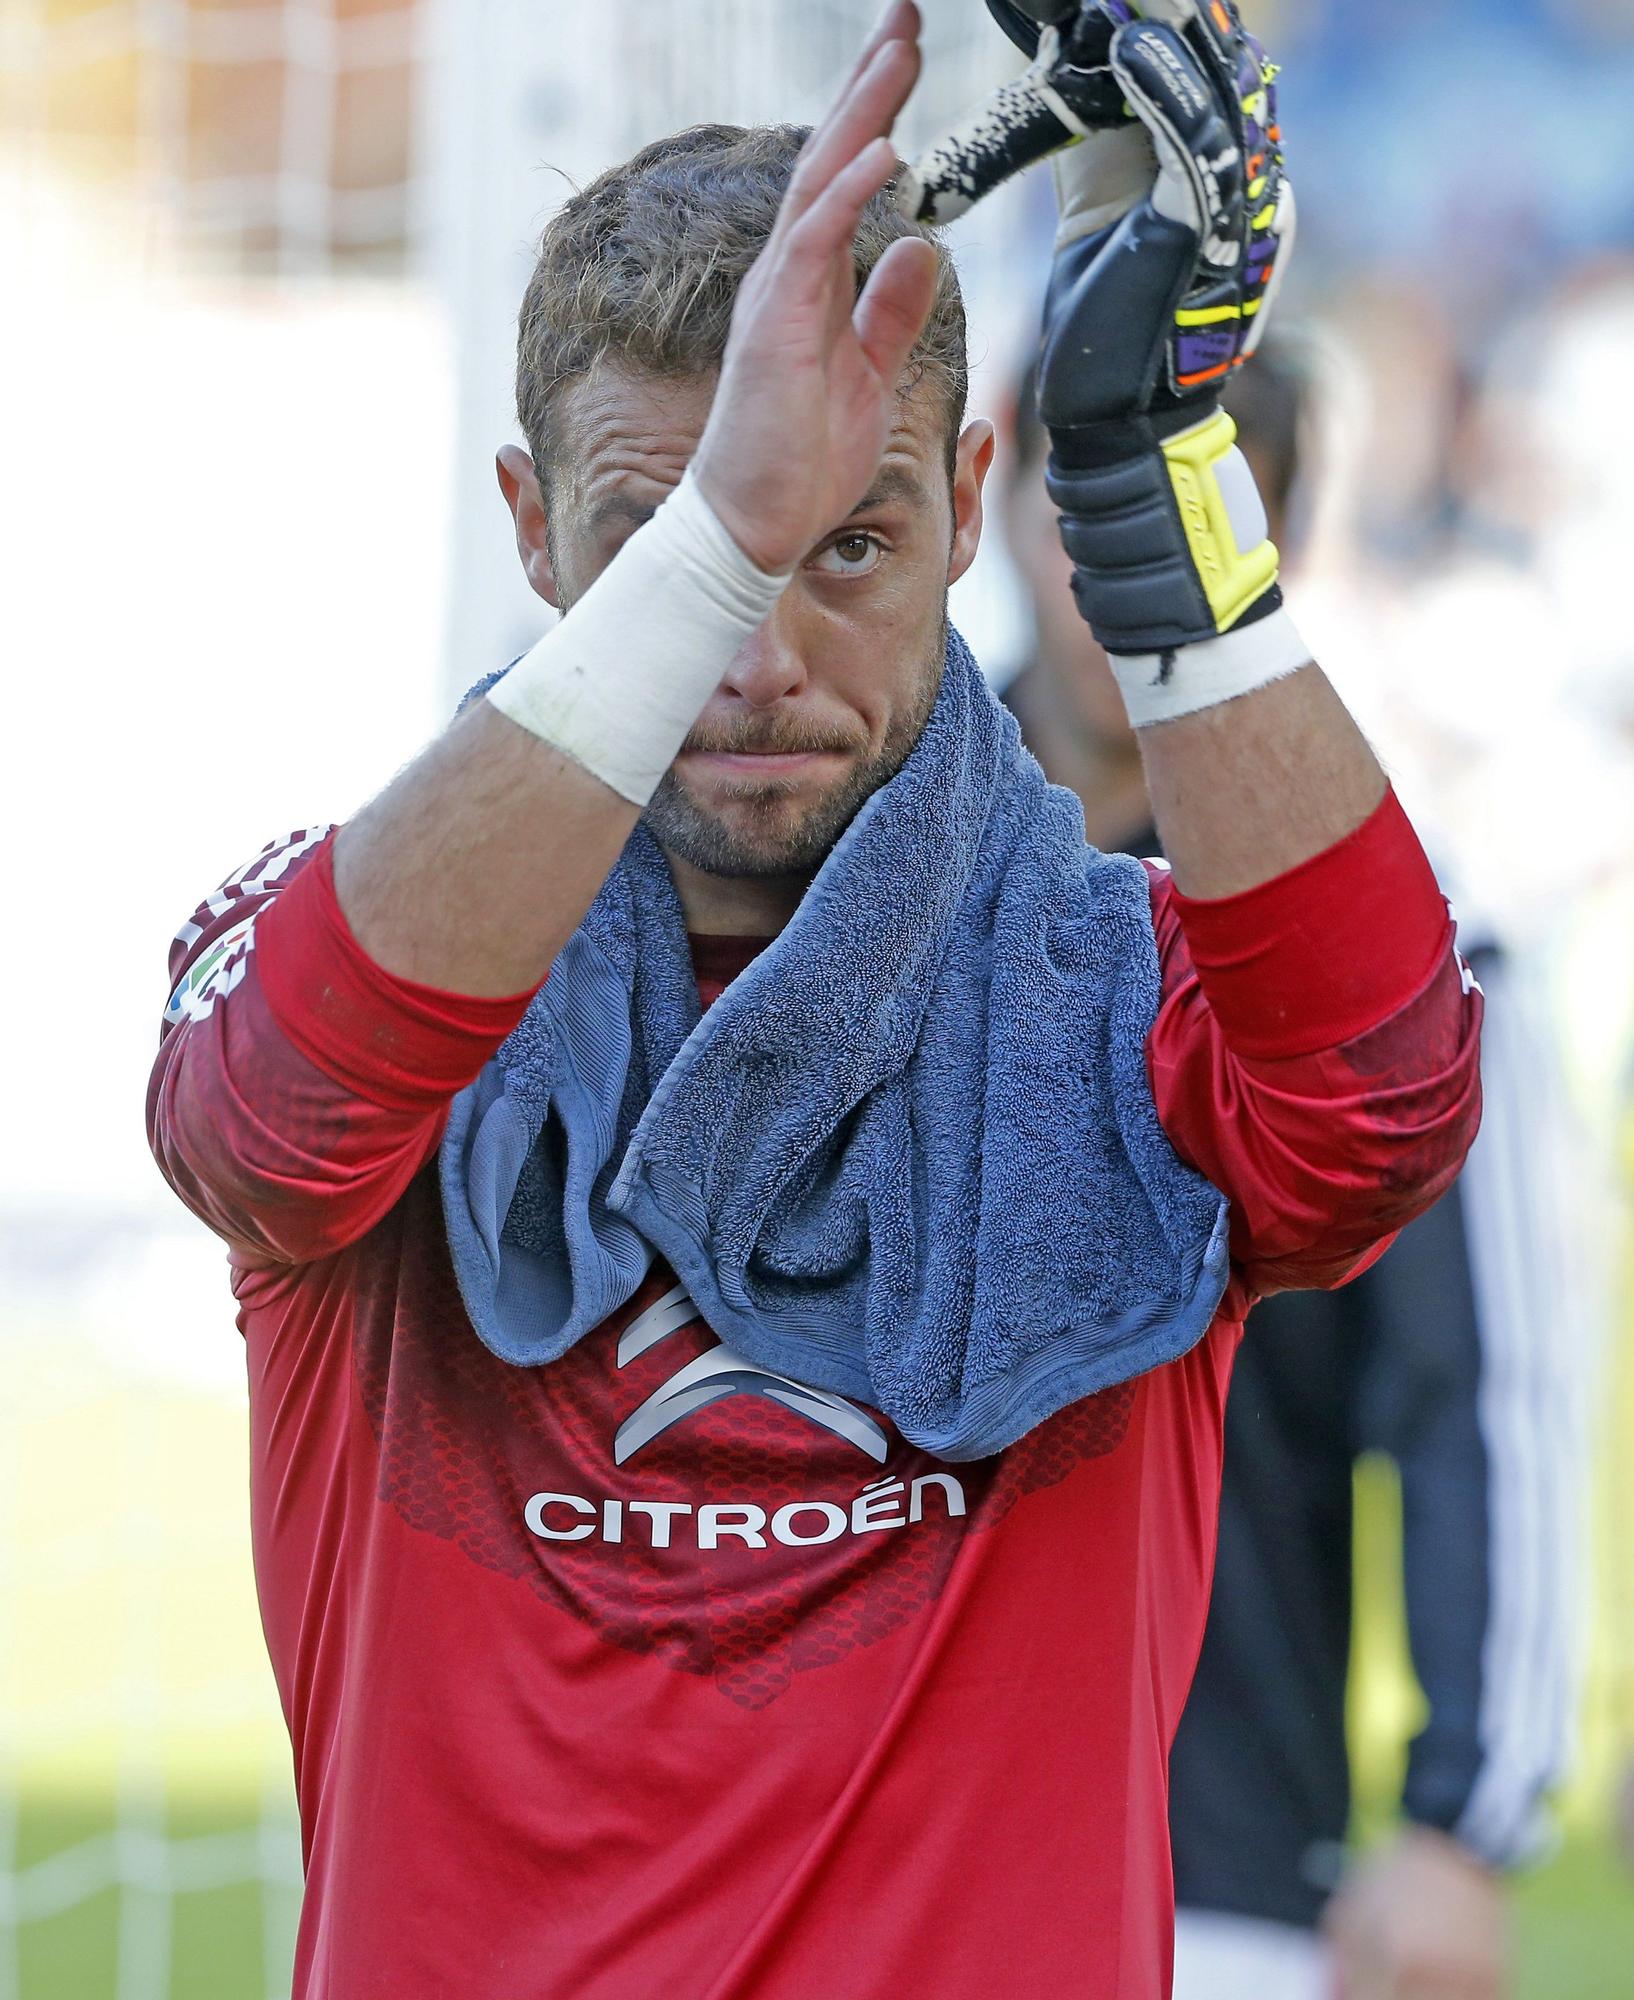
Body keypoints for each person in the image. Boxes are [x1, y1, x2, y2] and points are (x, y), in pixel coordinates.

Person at [147, 5, 1481, 1994]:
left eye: (845, 541)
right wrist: (735, 531)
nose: (757, 649)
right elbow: (267, 1123)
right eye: (671, 547)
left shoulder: (1119, 1002)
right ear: (531, 524)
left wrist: (1163, 505)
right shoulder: (362, 964)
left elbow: (1383, 1097)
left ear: (967, 497)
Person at [1004, 342, 1579, 2000]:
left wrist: (1459, 1821)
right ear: (1006, 508)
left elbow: (1484, 1398)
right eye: (1090, 514)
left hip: (1221, 1861)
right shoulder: (846, 865)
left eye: (1190, 526)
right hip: (862, 1831)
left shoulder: (1412, 953)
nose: (1126, 578)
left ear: (1277, 553)